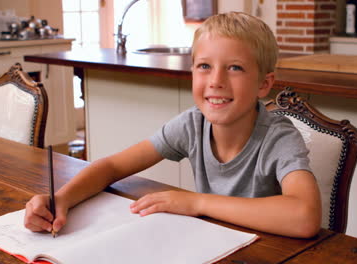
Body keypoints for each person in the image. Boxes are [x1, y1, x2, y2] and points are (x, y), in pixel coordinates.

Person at [24, 12, 322, 238]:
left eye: (235, 68)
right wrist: (60, 199)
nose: (216, 81)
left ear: (263, 84)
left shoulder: (279, 137)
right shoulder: (192, 124)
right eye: (205, 66)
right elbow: (112, 167)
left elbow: (305, 216)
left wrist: (197, 203)